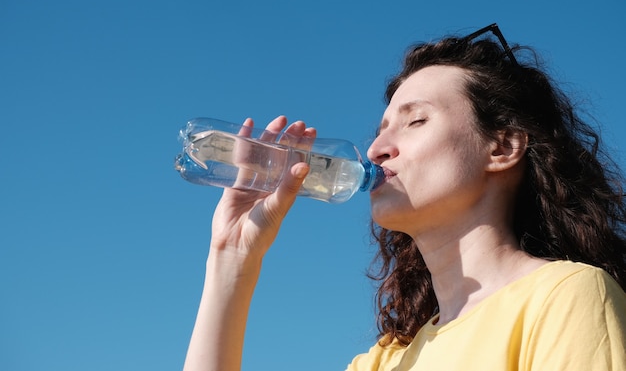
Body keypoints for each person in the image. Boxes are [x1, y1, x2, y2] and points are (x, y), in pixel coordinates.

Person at [181, 23, 626, 371]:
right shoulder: (387, 358)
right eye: (379, 131)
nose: (375, 149)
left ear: (502, 148)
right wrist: (232, 257)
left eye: (415, 122)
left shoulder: (564, 296)